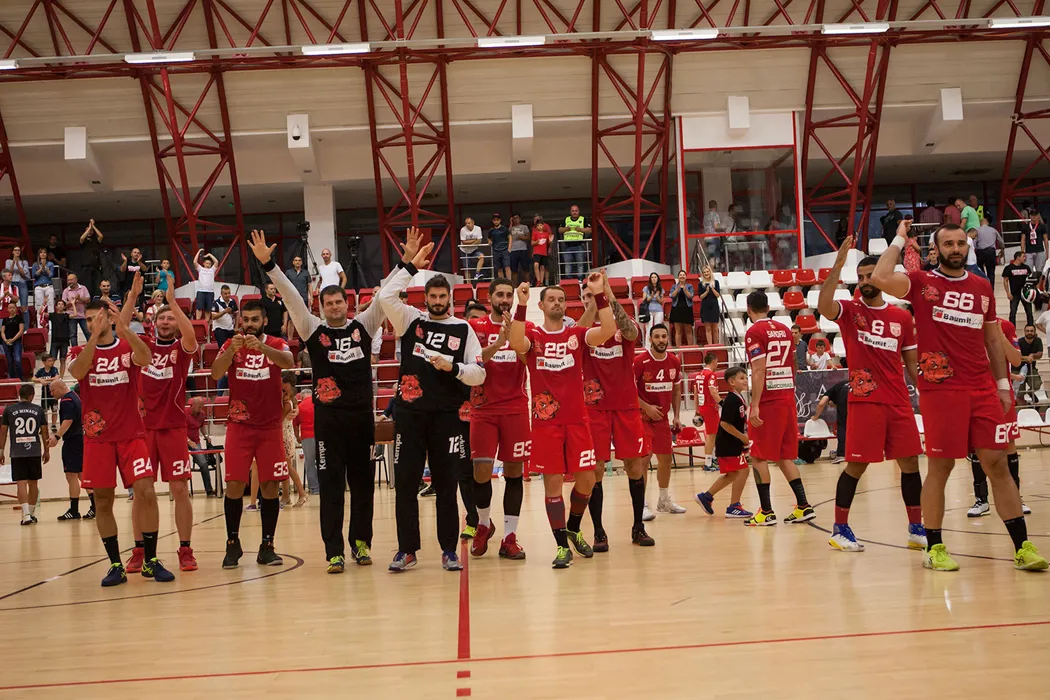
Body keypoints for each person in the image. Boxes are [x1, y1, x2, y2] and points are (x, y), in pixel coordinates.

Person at [871, 220, 1047, 571]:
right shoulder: (921, 282)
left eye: (960, 243)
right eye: (948, 244)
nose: (956, 249)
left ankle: (1022, 547)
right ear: (936, 249)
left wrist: (1002, 385)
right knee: (941, 466)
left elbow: (993, 339)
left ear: (969, 247)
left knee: (997, 464)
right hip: (941, 390)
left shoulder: (982, 286)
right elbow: (879, 276)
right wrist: (899, 239)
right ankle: (934, 547)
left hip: (982, 388)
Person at [251, 229, 390, 572]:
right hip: (328, 422)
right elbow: (290, 296)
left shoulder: (364, 326)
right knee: (330, 488)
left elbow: (386, 295)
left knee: (363, 487)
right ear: (322, 307)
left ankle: (361, 543)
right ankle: (334, 552)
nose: (334, 307)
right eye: (328, 304)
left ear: (347, 303)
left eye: (339, 302)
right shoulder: (313, 329)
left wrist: (407, 265)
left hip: (361, 420)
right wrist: (269, 265)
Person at [377, 227, 486, 573]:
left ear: (450, 297)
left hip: (447, 418)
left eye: (443, 296)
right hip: (410, 416)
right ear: (425, 297)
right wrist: (409, 265)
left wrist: (453, 367)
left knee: (446, 486)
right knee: (406, 485)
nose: (438, 301)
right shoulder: (411, 320)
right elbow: (385, 297)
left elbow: (479, 374)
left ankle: (449, 550)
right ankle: (406, 550)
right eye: (433, 296)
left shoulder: (463, 329)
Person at [818, 245, 926, 554]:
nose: (865, 281)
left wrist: (928, 396)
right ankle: (840, 529)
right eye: (861, 276)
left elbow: (912, 365)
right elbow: (824, 305)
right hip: (865, 401)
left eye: (870, 275)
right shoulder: (850, 311)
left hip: (899, 401)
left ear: (881, 277)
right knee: (856, 465)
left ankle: (916, 528)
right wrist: (838, 264)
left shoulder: (901, 317)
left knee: (910, 463)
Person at [507, 274, 616, 569]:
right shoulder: (534, 336)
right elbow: (515, 341)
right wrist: (520, 303)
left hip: (578, 420)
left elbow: (608, 329)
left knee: (588, 479)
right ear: (541, 305)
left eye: (561, 300)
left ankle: (573, 527)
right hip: (546, 423)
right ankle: (561, 546)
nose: (557, 303)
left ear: (566, 306)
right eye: (551, 299)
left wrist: (600, 294)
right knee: (553, 483)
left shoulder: (576, 335)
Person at [70, 298, 175, 585]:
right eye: (88, 320)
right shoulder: (80, 351)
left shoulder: (127, 347)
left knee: (146, 491)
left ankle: (151, 560)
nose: (92, 323)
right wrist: (93, 338)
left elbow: (146, 358)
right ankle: (115, 564)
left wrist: (124, 328)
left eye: (96, 318)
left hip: (131, 434)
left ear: (109, 318)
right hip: (97, 439)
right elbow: (77, 373)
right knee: (103, 500)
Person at [122, 276, 201, 573]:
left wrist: (171, 303)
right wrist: (132, 296)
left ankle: (185, 549)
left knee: (180, 490)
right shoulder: (142, 345)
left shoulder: (181, 349)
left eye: (171, 319)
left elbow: (191, 335)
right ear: (153, 324)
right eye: (162, 319)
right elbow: (121, 329)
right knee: (141, 493)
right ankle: (139, 550)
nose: (166, 322)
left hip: (173, 427)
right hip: (141, 430)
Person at [210, 298, 294, 569]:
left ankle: (267, 546)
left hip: (269, 426)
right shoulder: (231, 344)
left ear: (264, 321)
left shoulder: (276, 343)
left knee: (269, 487)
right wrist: (229, 353)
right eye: (245, 320)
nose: (249, 324)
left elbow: (289, 362)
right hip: (239, 425)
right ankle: (232, 543)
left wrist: (263, 348)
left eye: (254, 320)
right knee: (235, 484)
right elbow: (215, 373)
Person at [578, 274, 659, 550]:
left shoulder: (623, 325)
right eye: (586, 296)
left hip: (625, 405)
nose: (592, 300)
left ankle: (638, 527)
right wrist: (595, 299)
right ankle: (599, 532)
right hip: (595, 407)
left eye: (595, 295)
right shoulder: (583, 330)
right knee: (596, 469)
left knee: (634, 465)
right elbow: (578, 336)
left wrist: (609, 298)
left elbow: (633, 334)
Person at [466, 278, 529, 560]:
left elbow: (530, 361)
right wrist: (500, 343)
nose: (504, 299)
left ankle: (509, 537)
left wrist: (514, 339)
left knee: (514, 473)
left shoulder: (523, 327)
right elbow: (474, 361)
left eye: (508, 295)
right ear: (489, 297)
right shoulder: (475, 327)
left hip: (515, 408)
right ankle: (483, 524)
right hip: (483, 409)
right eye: (500, 294)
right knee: (481, 472)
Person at [742, 291, 815, 526]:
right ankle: (803, 506)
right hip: (787, 397)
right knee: (784, 456)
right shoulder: (784, 329)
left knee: (758, 455)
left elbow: (759, 369)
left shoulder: (754, 332)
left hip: (769, 401)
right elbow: (793, 361)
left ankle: (766, 511)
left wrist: (755, 405)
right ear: (768, 307)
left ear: (748, 309)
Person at [968, 319, 1033, 518]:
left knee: (1009, 444)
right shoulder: (965, 322)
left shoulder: (1004, 325)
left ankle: (1016, 497)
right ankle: (981, 500)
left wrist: (1000, 335)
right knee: (977, 446)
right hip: (974, 394)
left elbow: (1016, 360)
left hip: (1001, 395)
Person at [634, 324, 687, 527]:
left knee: (665, 459)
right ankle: (641, 504)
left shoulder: (674, 361)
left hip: (663, 420)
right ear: (650, 339)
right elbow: (629, 389)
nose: (661, 340)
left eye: (664, 336)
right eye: (657, 336)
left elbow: (676, 391)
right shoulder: (640, 361)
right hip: (642, 418)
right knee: (644, 460)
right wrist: (646, 407)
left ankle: (664, 500)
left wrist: (677, 416)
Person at [694, 366, 753, 519]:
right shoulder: (733, 399)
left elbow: (728, 411)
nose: (745, 380)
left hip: (732, 443)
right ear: (732, 382)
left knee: (734, 473)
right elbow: (725, 424)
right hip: (728, 443)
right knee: (742, 471)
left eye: (746, 378)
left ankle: (706, 497)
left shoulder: (736, 398)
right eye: (741, 378)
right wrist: (742, 437)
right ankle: (733, 506)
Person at [1, 383, 49, 526]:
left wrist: (1, 451)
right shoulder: (38, 410)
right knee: (33, 483)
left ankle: (26, 514)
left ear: (19, 395)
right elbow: (44, 431)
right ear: (31, 396)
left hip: (17, 452)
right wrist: (46, 450)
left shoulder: (9, 410)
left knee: (20, 483)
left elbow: (3, 431)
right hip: (34, 451)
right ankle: (32, 514)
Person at [50, 379, 91, 520]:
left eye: (53, 390)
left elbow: (68, 420)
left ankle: (74, 510)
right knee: (81, 474)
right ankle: (95, 506)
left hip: (72, 440)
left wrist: (57, 436)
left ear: (62, 387)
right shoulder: (75, 397)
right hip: (80, 439)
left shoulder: (66, 400)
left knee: (71, 475)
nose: (51, 393)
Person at [279, 372, 309, 507]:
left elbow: (278, 421)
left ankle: (302, 493)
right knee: (284, 467)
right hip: (285, 434)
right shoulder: (290, 400)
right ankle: (285, 496)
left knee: (288, 467)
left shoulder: (287, 403)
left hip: (284, 435)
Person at [693, 353, 722, 471]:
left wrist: (697, 409)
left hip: (702, 407)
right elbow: (713, 391)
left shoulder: (698, 375)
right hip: (710, 407)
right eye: (717, 362)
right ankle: (708, 463)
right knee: (711, 436)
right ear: (714, 361)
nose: (717, 364)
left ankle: (713, 458)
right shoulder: (711, 375)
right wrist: (722, 403)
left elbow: (695, 393)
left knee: (713, 435)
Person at [809, 380, 849, 464]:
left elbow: (821, 403)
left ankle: (841, 454)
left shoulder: (829, 392)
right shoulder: (840, 386)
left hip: (846, 393)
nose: (831, 406)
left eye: (830, 405)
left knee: (842, 426)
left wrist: (815, 417)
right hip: (857, 392)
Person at [184, 396, 215, 497]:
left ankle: (209, 490)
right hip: (183, 441)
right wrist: (188, 441)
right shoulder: (185, 413)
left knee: (203, 463)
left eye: (202, 407)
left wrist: (206, 436)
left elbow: (202, 426)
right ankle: (184, 491)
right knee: (183, 465)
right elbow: (181, 430)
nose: (201, 409)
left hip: (196, 441)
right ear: (192, 406)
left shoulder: (202, 414)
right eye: (199, 407)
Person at [558, 205, 591, 280]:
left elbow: (589, 230)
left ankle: (580, 279)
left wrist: (581, 230)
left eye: (576, 211)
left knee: (580, 264)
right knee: (568, 264)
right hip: (568, 246)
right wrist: (566, 229)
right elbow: (559, 230)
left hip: (579, 245)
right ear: (570, 212)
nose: (574, 212)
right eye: (573, 211)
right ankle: (569, 280)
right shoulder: (566, 219)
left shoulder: (583, 219)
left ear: (578, 211)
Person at [295, 389, 318, 496]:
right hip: (320, 435)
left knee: (310, 463)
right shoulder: (317, 404)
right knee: (323, 462)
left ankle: (315, 488)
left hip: (307, 436)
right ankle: (326, 486)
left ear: (302, 396)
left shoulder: (299, 407)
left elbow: (295, 425)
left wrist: (297, 437)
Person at [1002, 251, 1033, 327]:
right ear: (1018, 257)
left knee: (1029, 312)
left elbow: (1031, 279)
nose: (1025, 258)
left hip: (1026, 293)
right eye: (1023, 256)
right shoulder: (1009, 268)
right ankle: (1012, 329)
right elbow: (1005, 280)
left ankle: (1031, 327)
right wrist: (1008, 293)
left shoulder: (1026, 267)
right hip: (1015, 293)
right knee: (1013, 312)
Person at [1015, 323, 1043, 403]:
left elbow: (1040, 354)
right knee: (1020, 392)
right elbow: (1016, 355)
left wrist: (1033, 355)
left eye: (1031, 331)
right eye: (1027, 331)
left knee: (1037, 384)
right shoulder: (1019, 341)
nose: (1029, 332)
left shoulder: (1038, 340)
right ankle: (1023, 406)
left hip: (1031, 368)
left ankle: (1030, 392)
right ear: (1024, 332)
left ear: (1034, 332)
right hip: (1018, 369)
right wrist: (1026, 358)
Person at [668, 270, 695, 346]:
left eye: (683, 275)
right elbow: (671, 295)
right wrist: (677, 289)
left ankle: (690, 349)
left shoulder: (689, 286)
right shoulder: (674, 286)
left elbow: (691, 296)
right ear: (678, 277)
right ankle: (678, 349)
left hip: (687, 309)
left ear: (686, 277)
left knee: (688, 330)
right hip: (676, 309)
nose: (682, 276)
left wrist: (685, 290)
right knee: (678, 331)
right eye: (680, 275)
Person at [5, 245, 30, 326]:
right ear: (12, 252)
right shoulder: (8, 261)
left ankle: (26, 328)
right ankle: (12, 326)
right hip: (12, 284)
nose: (17, 251)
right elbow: (9, 273)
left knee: (24, 307)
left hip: (22, 284)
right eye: (15, 250)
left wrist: (18, 265)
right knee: (11, 306)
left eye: (18, 250)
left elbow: (24, 275)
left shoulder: (24, 262)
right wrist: (13, 262)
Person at [62, 274, 91, 345]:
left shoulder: (83, 288)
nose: (69, 281)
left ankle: (92, 348)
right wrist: (72, 302)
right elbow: (63, 305)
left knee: (88, 332)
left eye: (71, 280)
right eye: (68, 280)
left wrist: (79, 298)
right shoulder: (66, 291)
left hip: (83, 315)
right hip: (71, 316)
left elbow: (88, 300)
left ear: (76, 280)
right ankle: (74, 350)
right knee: (73, 335)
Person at [33, 353, 59, 429]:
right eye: (49, 361)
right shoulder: (41, 371)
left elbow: (56, 377)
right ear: (44, 362)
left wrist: (44, 380)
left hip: (54, 394)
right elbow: (33, 379)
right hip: (44, 393)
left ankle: (53, 425)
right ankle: (45, 425)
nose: (51, 362)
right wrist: (40, 380)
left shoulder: (54, 369)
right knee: (44, 410)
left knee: (54, 409)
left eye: (52, 360)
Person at [698, 266, 721, 346]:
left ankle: (716, 345)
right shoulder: (701, 284)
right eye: (704, 272)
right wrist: (707, 291)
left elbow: (718, 295)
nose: (706, 273)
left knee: (715, 328)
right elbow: (701, 297)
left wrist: (713, 289)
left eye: (707, 272)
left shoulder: (716, 282)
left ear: (710, 272)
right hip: (705, 307)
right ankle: (710, 345)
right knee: (707, 328)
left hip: (714, 307)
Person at [192, 249, 219, 320]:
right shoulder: (200, 269)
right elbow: (194, 262)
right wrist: (199, 251)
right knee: (199, 308)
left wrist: (209, 254)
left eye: (209, 264)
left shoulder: (212, 270)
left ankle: (206, 324)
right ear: (203, 263)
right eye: (207, 263)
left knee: (208, 310)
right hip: (201, 291)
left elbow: (216, 262)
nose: (208, 265)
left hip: (210, 292)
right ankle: (198, 322)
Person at [640, 273, 664, 348]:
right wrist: (651, 296)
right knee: (649, 329)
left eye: (655, 277)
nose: (654, 279)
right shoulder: (646, 288)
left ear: (657, 278)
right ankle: (647, 347)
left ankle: (657, 346)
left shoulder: (660, 289)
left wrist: (657, 297)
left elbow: (662, 302)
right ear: (650, 279)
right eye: (652, 277)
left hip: (658, 310)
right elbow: (644, 300)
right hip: (648, 310)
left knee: (657, 329)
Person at [32, 248, 56, 325]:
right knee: (39, 306)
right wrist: (41, 268)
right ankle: (40, 326)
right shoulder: (35, 264)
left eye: (44, 252)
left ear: (46, 254)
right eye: (41, 252)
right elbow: (34, 276)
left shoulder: (50, 264)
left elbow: (51, 275)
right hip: (39, 287)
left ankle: (51, 326)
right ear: (39, 255)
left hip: (48, 286)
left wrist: (45, 267)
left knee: (50, 305)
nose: (43, 254)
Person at [459, 217, 485, 283]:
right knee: (467, 268)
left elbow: (479, 241)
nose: (467, 225)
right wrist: (474, 240)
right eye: (466, 223)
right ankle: (468, 284)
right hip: (464, 251)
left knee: (481, 256)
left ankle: (477, 274)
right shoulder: (463, 229)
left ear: (473, 223)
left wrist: (470, 244)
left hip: (474, 250)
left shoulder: (478, 228)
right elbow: (464, 242)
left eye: (469, 223)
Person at [1, 302, 23, 380]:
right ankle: (12, 379)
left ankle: (20, 378)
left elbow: (21, 330)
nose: (12, 309)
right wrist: (5, 340)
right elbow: (2, 331)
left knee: (17, 360)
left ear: (16, 308)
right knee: (10, 361)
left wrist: (13, 339)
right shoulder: (5, 319)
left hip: (16, 341)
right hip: (6, 342)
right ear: (7, 309)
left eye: (13, 307)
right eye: (10, 308)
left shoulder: (19, 318)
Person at [508, 214, 531, 285]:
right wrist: (511, 223)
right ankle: (515, 286)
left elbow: (528, 237)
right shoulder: (511, 228)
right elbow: (508, 234)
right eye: (514, 218)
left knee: (525, 269)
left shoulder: (524, 227)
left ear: (520, 219)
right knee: (514, 270)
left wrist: (520, 237)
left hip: (523, 249)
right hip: (513, 250)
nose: (516, 219)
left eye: (517, 218)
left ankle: (527, 284)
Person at [488, 213, 511, 281]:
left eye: (497, 220)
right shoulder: (491, 230)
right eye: (494, 220)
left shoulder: (504, 229)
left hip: (505, 250)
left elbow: (510, 237)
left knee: (507, 267)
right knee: (499, 268)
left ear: (500, 220)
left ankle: (509, 282)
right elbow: (488, 237)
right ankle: (502, 282)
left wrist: (509, 248)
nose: (496, 221)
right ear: (493, 221)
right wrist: (489, 241)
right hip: (496, 251)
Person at [532, 215, 551, 286]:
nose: (540, 227)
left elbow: (549, 242)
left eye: (541, 225)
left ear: (543, 226)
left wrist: (550, 242)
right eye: (538, 225)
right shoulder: (535, 233)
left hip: (544, 252)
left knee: (543, 267)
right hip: (536, 252)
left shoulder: (546, 234)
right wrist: (536, 242)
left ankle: (542, 282)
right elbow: (532, 243)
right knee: (536, 265)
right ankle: (538, 280)